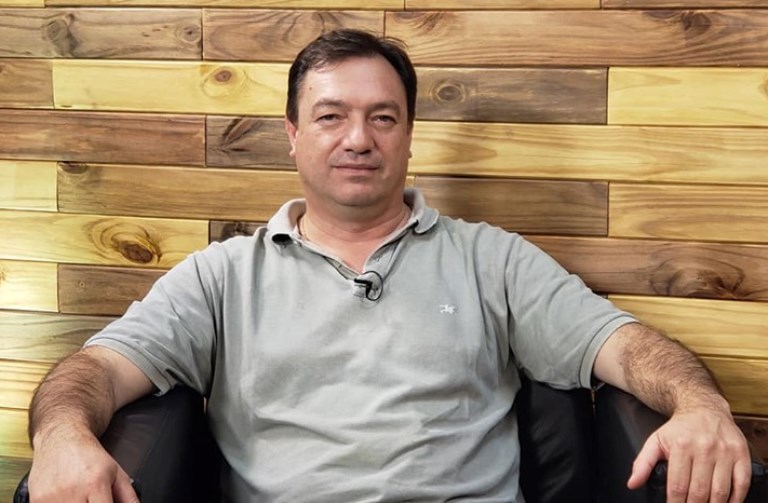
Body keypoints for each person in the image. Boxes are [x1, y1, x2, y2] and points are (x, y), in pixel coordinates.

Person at [27, 29, 751, 503]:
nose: (358, 139)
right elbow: (95, 371)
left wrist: (701, 407)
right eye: (331, 115)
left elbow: (626, 345)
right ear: (292, 135)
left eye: (382, 116)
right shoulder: (221, 277)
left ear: (407, 135)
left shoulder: (491, 260)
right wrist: (63, 439)